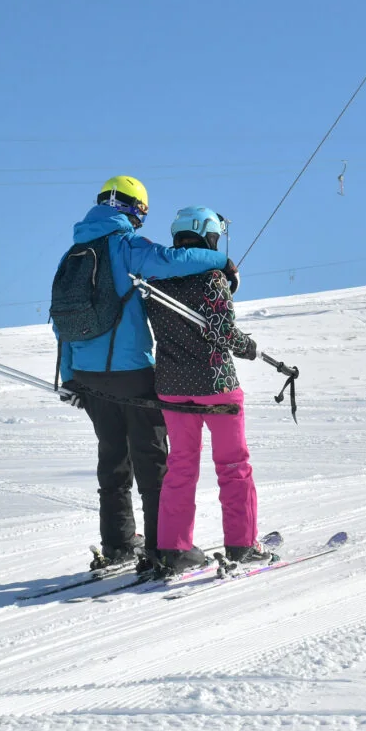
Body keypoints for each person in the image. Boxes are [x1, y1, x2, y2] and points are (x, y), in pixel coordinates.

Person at [50, 176, 229, 571]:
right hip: (130, 371)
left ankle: (117, 543)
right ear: (135, 209)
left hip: (86, 375)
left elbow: (62, 323)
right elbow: (172, 261)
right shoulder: (124, 245)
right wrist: (220, 260)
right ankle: (165, 548)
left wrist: (70, 377)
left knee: (112, 459)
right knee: (151, 460)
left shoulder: (75, 253)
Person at [145, 207, 271, 574]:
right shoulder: (212, 277)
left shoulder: (155, 281)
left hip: (171, 388)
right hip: (217, 385)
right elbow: (223, 333)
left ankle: (173, 547)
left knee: (180, 467)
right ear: (207, 237)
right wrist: (248, 346)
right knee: (233, 466)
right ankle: (242, 544)